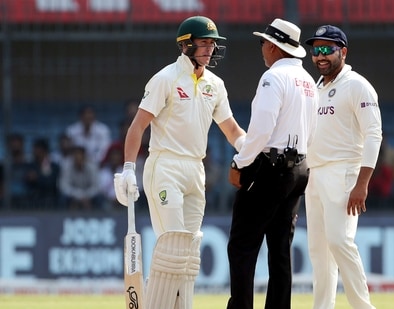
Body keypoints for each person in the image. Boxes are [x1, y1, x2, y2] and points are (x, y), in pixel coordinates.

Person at [113, 16, 246, 309]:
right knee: (172, 246)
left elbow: (232, 130)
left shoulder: (215, 84)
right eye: (204, 43)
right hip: (165, 167)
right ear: (186, 45)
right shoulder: (165, 79)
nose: (210, 49)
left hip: (195, 170)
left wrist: (251, 152)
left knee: (188, 252)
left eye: (213, 44)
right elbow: (137, 127)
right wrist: (128, 168)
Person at [226, 18, 318, 309]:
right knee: (280, 250)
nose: (263, 48)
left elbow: (261, 129)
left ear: (276, 47)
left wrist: (240, 163)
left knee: (242, 245)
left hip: (271, 166)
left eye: (265, 42)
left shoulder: (273, 78)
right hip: (300, 167)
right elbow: (312, 130)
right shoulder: (309, 83)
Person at [304, 25, 380, 309]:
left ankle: (363, 307)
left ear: (343, 52)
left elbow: (374, 134)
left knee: (339, 241)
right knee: (318, 251)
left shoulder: (357, 85)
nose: (320, 56)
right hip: (315, 174)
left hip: (344, 171)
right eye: (316, 50)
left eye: (328, 50)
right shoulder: (315, 88)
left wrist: (362, 183)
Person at [59, 145, 102, 210]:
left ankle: (100, 217)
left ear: (84, 157)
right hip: (73, 196)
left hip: (89, 197)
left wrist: (86, 196)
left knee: (99, 198)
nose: (78, 158)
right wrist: (79, 196)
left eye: (80, 156)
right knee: (63, 198)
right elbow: (64, 186)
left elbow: (96, 187)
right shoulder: (67, 168)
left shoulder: (92, 168)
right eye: (76, 156)